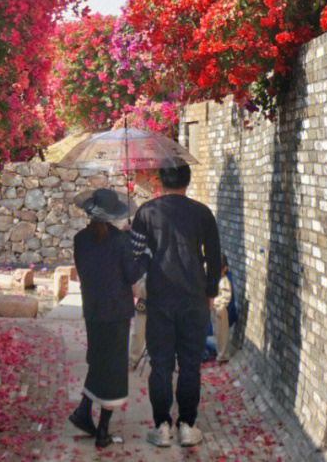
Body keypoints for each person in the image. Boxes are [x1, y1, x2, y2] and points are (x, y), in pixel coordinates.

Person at [130, 161, 221, 449]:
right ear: (187, 180)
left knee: (161, 365)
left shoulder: (146, 212)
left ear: (160, 180)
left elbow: (137, 257)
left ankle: (161, 427)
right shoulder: (202, 213)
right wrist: (210, 292)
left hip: (159, 298)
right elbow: (215, 258)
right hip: (194, 298)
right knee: (190, 365)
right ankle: (187, 426)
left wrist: (136, 282)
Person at [69, 186, 148, 450]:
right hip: (116, 314)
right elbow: (133, 275)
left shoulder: (80, 239)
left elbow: (87, 269)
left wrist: (122, 240)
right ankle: (102, 430)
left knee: (98, 361)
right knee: (112, 370)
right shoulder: (119, 240)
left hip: (92, 310)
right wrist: (143, 255)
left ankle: (84, 409)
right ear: (113, 214)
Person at [209, 254, 236, 363]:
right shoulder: (217, 279)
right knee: (216, 332)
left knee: (222, 334)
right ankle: (219, 351)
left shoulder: (224, 281)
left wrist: (215, 302)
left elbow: (226, 297)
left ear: (224, 269)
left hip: (220, 310)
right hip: (215, 309)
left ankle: (223, 355)